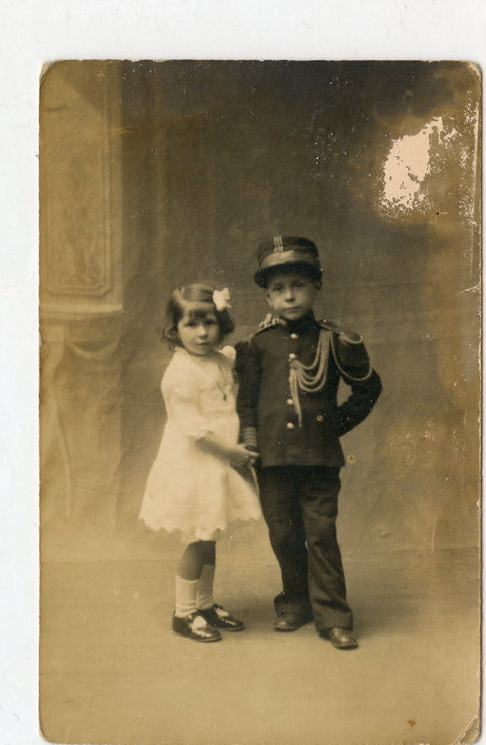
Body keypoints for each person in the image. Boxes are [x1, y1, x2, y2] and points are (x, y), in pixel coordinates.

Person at [235, 236, 382, 650]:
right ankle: (295, 603)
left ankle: (334, 617)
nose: (289, 296)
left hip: (318, 459)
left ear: (317, 286)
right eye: (278, 289)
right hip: (271, 460)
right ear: (267, 295)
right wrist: (248, 441)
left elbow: (369, 389)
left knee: (320, 535)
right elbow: (246, 403)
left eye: (298, 285)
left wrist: (333, 426)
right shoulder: (256, 345)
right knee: (283, 535)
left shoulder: (335, 341)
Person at [140, 283, 261, 643]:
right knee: (197, 539)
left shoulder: (220, 358)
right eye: (191, 325)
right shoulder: (178, 375)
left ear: (221, 324)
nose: (202, 333)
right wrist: (233, 453)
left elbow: (239, 357)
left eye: (209, 323)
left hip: (215, 467)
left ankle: (205, 604)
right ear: (174, 330)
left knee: (210, 536)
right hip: (194, 465)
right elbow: (197, 433)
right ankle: (183, 613)